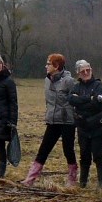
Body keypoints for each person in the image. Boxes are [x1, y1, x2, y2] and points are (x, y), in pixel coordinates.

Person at [23, 53, 77, 186]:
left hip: (67, 121)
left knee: (68, 150)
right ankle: (30, 178)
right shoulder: (47, 80)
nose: (46, 66)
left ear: (56, 66)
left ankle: (72, 177)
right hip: (52, 120)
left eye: (48, 64)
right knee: (44, 149)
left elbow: (75, 100)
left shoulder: (69, 81)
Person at [68, 60, 102, 188]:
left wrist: (82, 102)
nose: (86, 73)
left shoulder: (98, 85)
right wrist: (88, 98)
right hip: (82, 127)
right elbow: (71, 99)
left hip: (98, 126)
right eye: (83, 71)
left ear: (91, 70)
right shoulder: (76, 86)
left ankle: (101, 183)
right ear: (78, 73)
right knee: (84, 156)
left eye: (88, 70)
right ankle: (83, 183)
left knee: (98, 155)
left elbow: (98, 102)